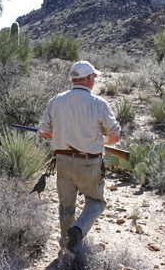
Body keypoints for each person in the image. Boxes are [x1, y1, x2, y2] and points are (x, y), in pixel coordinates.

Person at [37, 61, 121, 253]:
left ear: (74, 79)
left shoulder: (56, 100)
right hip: (89, 162)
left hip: (63, 161)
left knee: (66, 206)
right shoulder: (99, 104)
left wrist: (62, 135)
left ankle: (66, 246)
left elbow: (44, 132)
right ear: (90, 79)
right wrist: (98, 141)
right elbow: (115, 136)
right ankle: (79, 229)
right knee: (96, 201)